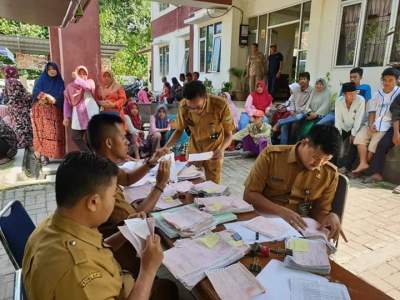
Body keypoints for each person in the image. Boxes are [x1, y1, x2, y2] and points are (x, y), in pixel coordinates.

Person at [22, 152, 177, 300]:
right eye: (113, 195)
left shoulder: (52, 225)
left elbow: (93, 249)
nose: (115, 199)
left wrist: (125, 231)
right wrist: (147, 270)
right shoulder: (79, 274)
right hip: (118, 289)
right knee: (167, 288)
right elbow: (83, 262)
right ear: (93, 202)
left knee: (164, 286)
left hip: (113, 280)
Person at [244, 125, 342, 241]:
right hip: (264, 222)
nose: (318, 164)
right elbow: (249, 195)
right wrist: (280, 211)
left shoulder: (330, 174)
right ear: (305, 142)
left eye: (326, 160)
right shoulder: (271, 156)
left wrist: (330, 217)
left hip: (299, 230)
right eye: (315, 157)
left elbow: (320, 210)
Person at [87, 113, 171, 237]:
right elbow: (135, 219)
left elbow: (126, 179)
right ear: (109, 143)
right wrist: (160, 185)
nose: (127, 142)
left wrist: (151, 162)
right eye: (123, 137)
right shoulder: (103, 180)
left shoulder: (100, 163)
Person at [161, 80, 234, 183]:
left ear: (205, 97)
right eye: (191, 108)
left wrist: (221, 149)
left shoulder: (220, 105)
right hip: (194, 150)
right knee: (189, 184)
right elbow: (179, 130)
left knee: (212, 187)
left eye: (198, 107)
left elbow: (229, 135)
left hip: (214, 150)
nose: (195, 111)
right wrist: (166, 147)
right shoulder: (183, 106)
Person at [352, 68, 400, 175]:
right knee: (360, 138)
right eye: (384, 80)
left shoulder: (398, 93)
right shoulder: (376, 93)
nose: (387, 83)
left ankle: (363, 168)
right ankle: (363, 163)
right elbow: (372, 111)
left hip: (386, 126)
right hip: (373, 123)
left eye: (390, 80)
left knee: (373, 146)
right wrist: (370, 124)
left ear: (397, 80)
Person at [364, 83, 400, 183]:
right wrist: (396, 132)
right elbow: (396, 113)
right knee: (382, 144)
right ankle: (377, 174)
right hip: (396, 126)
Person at [31, 62, 65, 163]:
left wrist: (54, 99)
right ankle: (42, 156)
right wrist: (46, 96)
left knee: (54, 134)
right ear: (46, 70)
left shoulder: (60, 82)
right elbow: (36, 92)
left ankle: (52, 155)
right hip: (41, 113)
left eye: (54, 69)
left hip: (55, 112)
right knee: (42, 134)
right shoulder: (41, 80)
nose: (52, 71)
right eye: (49, 69)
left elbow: (62, 95)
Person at [63, 65, 99, 152]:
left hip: (91, 112)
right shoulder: (70, 87)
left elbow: (87, 87)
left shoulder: (90, 82)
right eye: (80, 74)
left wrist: (77, 78)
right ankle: (89, 155)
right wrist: (66, 117)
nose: (83, 76)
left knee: (90, 137)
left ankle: (93, 159)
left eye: (84, 74)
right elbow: (66, 103)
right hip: (78, 115)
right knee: (75, 136)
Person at [273, 72, 313, 145]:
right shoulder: (296, 89)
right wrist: (292, 110)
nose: (302, 81)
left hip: (304, 112)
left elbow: (308, 105)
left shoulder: (311, 90)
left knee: (297, 119)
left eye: (304, 79)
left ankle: (279, 122)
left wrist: (298, 111)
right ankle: (283, 147)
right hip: (295, 112)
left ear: (308, 80)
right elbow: (292, 100)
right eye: (300, 79)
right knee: (285, 125)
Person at [334, 82, 365, 173]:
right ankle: (336, 166)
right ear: (344, 94)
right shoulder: (339, 101)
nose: (353, 96)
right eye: (350, 94)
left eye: (355, 93)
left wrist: (354, 133)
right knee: (337, 142)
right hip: (343, 126)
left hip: (357, 127)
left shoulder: (360, 100)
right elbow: (338, 119)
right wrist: (338, 133)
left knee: (353, 142)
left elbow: (359, 118)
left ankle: (346, 167)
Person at [2, 66, 33, 149]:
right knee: (23, 124)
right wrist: (30, 96)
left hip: (14, 108)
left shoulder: (7, 81)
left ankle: (22, 142)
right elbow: (18, 95)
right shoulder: (14, 81)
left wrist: (10, 103)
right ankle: (24, 143)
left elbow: (7, 96)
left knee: (18, 124)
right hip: (20, 107)